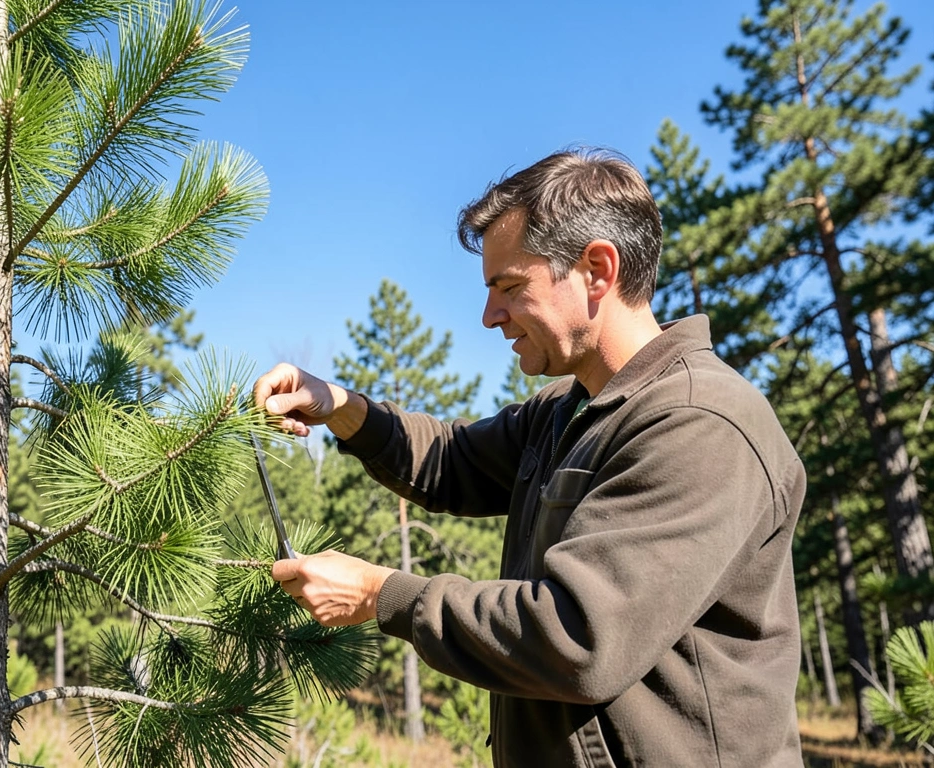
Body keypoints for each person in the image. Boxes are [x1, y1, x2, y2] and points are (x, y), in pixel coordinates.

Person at [255, 149, 806, 767]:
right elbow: (451, 459)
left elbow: (579, 637)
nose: (489, 316)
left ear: (597, 270)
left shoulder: (700, 423)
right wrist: (335, 404)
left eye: (510, 287)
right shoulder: (567, 410)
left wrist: (382, 594)